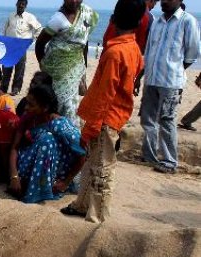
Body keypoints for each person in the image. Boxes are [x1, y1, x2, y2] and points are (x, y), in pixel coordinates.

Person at [61, 0, 146, 223]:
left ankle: (97, 216)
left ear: (114, 18)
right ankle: (82, 204)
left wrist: (91, 127)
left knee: (102, 170)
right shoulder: (133, 49)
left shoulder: (115, 52)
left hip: (105, 119)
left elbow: (104, 95)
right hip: (115, 116)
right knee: (93, 163)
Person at [135, 0, 199, 174]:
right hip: (151, 79)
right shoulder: (156, 21)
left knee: (167, 120)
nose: (164, 1)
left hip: (170, 82)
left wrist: (175, 70)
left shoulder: (188, 21)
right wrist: (140, 77)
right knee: (147, 120)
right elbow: (148, 52)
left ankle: (170, 162)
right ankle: (149, 156)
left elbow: (192, 53)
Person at [8, 85, 85, 204]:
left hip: (54, 171)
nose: (26, 108)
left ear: (45, 107)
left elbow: (83, 152)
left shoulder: (60, 124)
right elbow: (15, 147)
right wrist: (14, 176)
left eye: (31, 105)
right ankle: (27, 184)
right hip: (27, 165)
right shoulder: (29, 118)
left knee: (47, 139)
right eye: (27, 103)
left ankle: (42, 190)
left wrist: (66, 182)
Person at [36, 0, 98, 127]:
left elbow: (84, 43)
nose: (74, 1)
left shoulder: (87, 14)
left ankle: (69, 132)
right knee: (55, 104)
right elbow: (40, 44)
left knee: (70, 105)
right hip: (54, 70)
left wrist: (83, 69)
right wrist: (43, 65)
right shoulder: (57, 20)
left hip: (75, 68)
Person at [2, 0, 42, 96]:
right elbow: (5, 30)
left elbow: (39, 29)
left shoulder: (30, 17)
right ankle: (3, 88)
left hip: (21, 47)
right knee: (6, 67)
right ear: (16, 4)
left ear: (25, 6)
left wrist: (32, 40)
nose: (21, 5)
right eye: (19, 3)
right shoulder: (11, 16)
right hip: (9, 46)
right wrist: (3, 42)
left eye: (23, 4)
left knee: (19, 69)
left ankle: (16, 89)